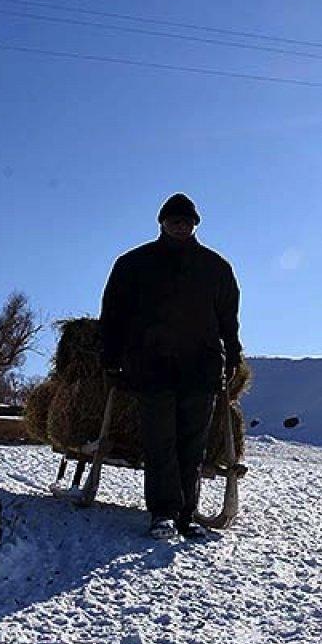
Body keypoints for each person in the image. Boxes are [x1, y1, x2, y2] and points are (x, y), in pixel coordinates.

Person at [99, 193, 242, 539]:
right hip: (152, 365)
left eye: (187, 220)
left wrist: (233, 356)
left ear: (195, 224)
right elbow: (113, 314)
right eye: (174, 219)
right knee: (160, 440)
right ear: (161, 222)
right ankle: (162, 512)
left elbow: (228, 319)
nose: (181, 225)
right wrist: (111, 357)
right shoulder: (134, 264)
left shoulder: (215, 267)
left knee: (192, 445)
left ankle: (185, 515)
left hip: (201, 367)